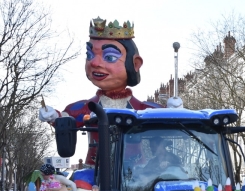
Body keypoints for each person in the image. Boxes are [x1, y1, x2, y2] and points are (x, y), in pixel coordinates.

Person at [39, 17, 162, 165]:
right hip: (95, 171)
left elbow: (167, 120)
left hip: (135, 174)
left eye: (109, 57)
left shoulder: (144, 109)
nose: (95, 63)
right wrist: (54, 116)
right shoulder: (87, 108)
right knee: (81, 185)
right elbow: (67, 120)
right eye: (90, 55)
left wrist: (176, 111)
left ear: (135, 64)